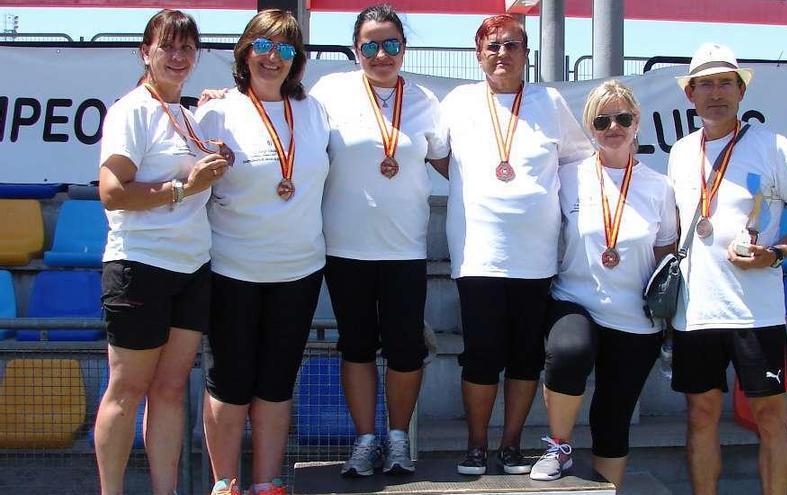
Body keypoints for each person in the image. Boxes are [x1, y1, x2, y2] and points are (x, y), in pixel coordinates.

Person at [667, 43, 787, 495]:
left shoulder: (774, 146)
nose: (716, 93)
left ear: (740, 91)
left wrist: (775, 253)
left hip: (757, 314)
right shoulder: (679, 152)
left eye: (725, 83)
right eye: (706, 85)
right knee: (700, 417)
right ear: (690, 95)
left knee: (771, 418)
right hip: (695, 313)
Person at [442, 14, 593, 476]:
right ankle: (475, 446)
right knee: (482, 356)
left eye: (512, 45)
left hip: (536, 258)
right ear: (478, 54)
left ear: (526, 54)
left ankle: (510, 446)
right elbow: (432, 152)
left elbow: (577, 158)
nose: (501, 53)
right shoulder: (459, 101)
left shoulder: (549, 101)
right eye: (492, 45)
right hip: (478, 256)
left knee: (525, 357)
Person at [309, 3, 450, 478]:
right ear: (356, 49)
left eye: (391, 44)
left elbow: (452, 162)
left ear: (404, 49)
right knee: (356, 346)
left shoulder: (426, 100)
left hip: (404, 249)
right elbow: (285, 118)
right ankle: (365, 439)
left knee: (406, 349)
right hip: (345, 248)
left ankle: (396, 439)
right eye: (370, 45)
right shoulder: (330, 91)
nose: (381, 54)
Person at [195, 10, 330, 495]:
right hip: (233, 270)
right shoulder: (214, 112)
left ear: (297, 61)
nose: (273, 58)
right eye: (264, 46)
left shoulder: (315, 111)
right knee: (229, 385)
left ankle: (267, 483)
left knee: (276, 383)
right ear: (245, 51)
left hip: (300, 271)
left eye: (287, 50)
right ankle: (225, 484)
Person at [94, 9, 228, 495]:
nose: (178, 56)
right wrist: (183, 186)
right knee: (127, 391)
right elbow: (112, 191)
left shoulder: (186, 114)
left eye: (187, 48)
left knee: (171, 392)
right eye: (168, 46)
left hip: (191, 267)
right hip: (140, 266)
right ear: (145, 52)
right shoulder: (132, 109)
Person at [530, 80, 678, 486]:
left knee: (612, 417)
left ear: (637, 124)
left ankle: (606, 491)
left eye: (622, 118)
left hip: (634, 317)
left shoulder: (660, 187)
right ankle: (558, 447)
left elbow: (666, 253)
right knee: (568, 353)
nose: (613, 126)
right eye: (601, 120)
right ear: (589, 126)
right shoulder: (567, 176)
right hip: (575, 299)